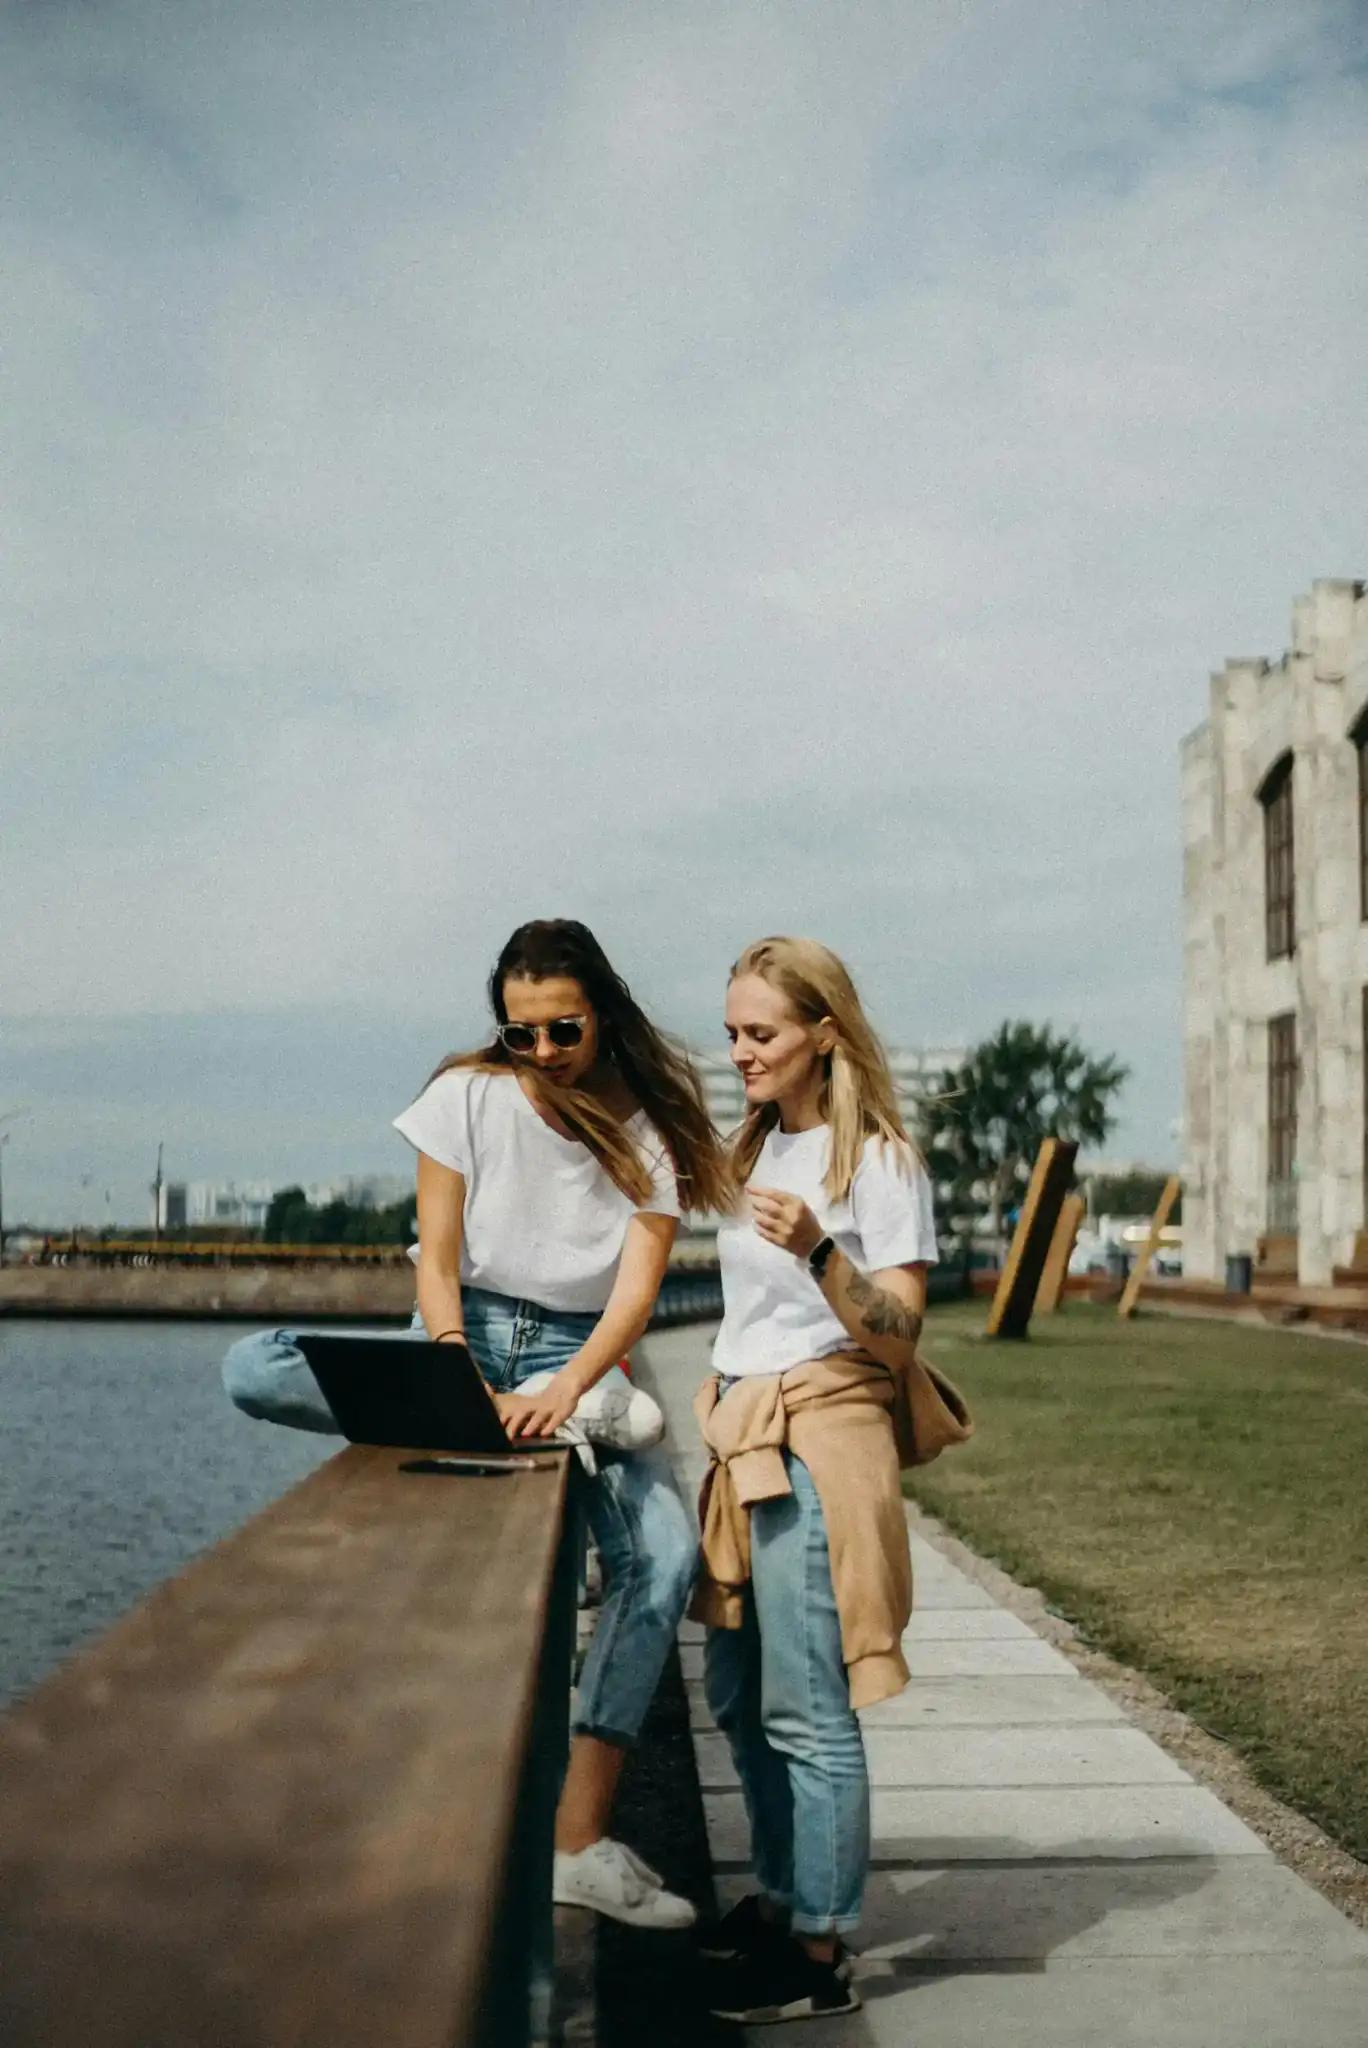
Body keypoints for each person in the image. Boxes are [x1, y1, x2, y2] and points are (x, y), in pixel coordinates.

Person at [222, 918, 730, 1930]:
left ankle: (577, 1842)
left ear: (603, 1012)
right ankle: (485, 1424)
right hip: (464, 1329)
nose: (541, 1052)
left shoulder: (655, 1122)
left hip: (579, 1352)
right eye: (520, 1033)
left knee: (666, 1556)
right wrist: (454, 1368)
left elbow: (634, 1294)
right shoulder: (465, 1094)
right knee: (251, 1364)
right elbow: (439, 1257)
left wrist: (564, 1386)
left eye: (563, 1030)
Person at [694, 937, 942, 2026]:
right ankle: (785, 1890)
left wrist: (821, 1252)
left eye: (763, 1032)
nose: (740, 1051)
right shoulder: (744, 1151)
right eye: (735, 1030)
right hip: (742, 1429)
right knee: (740, 1696)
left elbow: (898, 1336)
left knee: (808, 1703)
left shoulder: (876, 1163)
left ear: (822, 1034)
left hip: (818, 1434)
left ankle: (822, 1944)